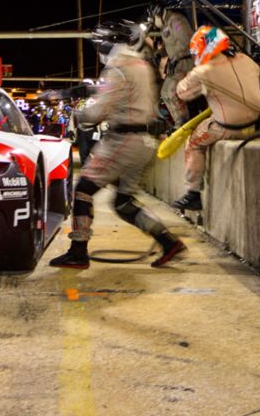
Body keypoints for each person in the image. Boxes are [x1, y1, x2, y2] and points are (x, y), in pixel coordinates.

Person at [50, 20, 186, 269]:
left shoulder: (117, 68)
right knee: (123, 202)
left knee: (83, 190)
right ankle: (169, 243)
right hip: (144, 142)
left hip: (124, 139)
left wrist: (77, 114)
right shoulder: (140, 65)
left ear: (107, 43)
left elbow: (97, 112)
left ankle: (78, 251)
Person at [170, 26, 260, 213]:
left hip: (230, 128)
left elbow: (182, 93)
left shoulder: (203, 71)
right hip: (259, 125)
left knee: (193, 143)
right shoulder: (246, 60)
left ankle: (192, 193)